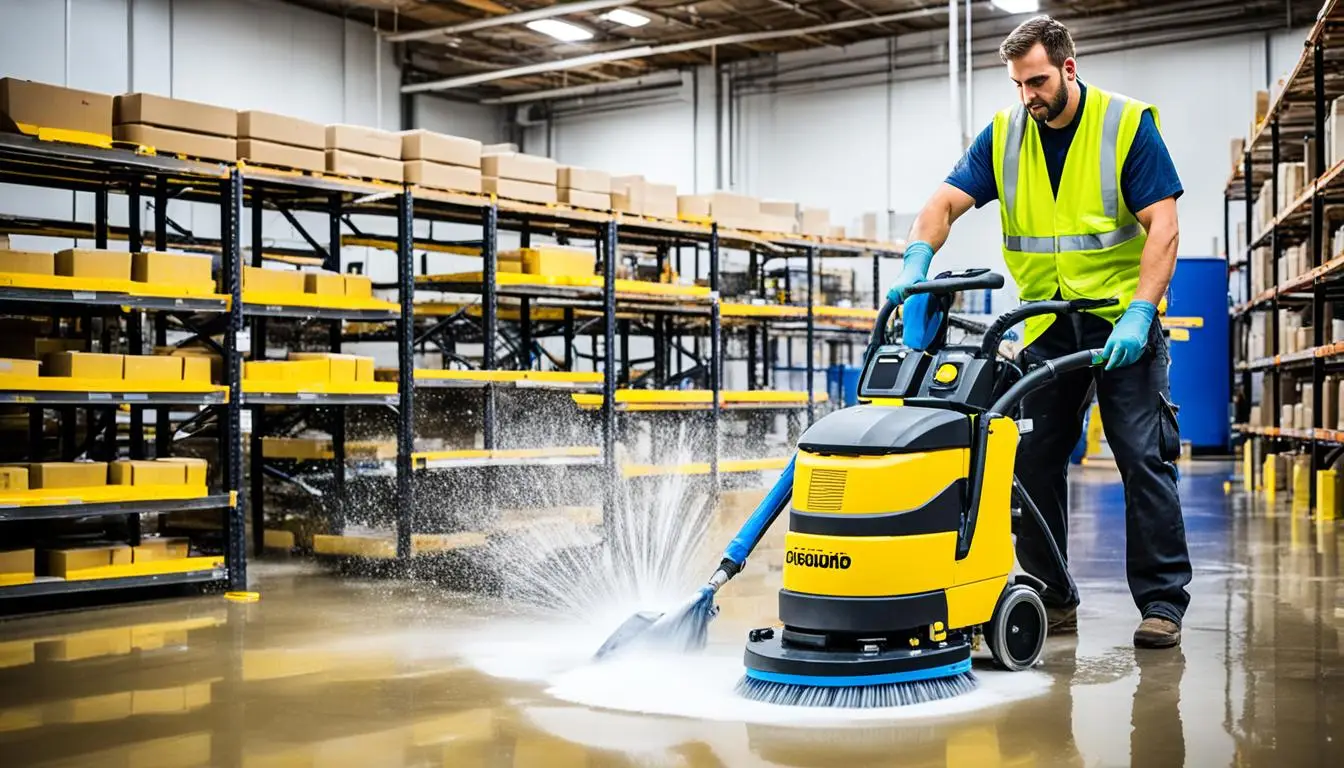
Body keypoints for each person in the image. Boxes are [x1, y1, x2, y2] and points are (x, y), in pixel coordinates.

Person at [887, 15, 1191, 648]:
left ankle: (1161, 602)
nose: (1029, 96)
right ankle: (1055, 595)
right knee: (1028, 463)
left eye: (1038, 81)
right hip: (1047, 326)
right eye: (1019, 84)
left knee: (1142, 458)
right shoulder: (1003, 136)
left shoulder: (1125, 125)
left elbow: (1163, 225)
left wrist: (1141, 311)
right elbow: (941, 205)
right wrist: (917, 263)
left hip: (1118, 326)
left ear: (1068, 69)